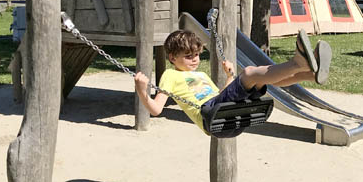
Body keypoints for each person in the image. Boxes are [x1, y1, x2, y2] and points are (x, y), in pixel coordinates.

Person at [134, 28, 331, 134]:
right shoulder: (171, 75)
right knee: (250, 73)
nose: (194, 59)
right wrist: (142, 90)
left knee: (262, 81)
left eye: (196, 55)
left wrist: (229, 77)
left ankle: (309, 73)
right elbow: (156, 110)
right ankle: (298, 63)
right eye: (188, 56)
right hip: (210, 116)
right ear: (172, 58)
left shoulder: (201, 76)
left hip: (223, 112)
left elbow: (221, 96)